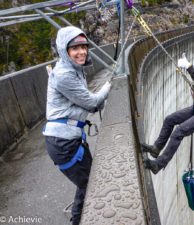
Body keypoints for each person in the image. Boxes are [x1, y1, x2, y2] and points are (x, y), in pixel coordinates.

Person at [43, 26, 111, 225]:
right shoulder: (65, 74)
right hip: (63, 144)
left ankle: (80, 216)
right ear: (65, 50)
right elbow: (91, 103)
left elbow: (88, 101)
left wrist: (96, 100)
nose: (81, 52)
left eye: (84, 46)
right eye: (75, 48)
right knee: (90, 185)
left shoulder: (73, 69)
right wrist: (109, 85)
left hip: (70, 139)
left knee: (87, 182)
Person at [142, 43, 194, 174]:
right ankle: (156, 148)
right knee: (169, 120)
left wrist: (188, 66)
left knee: (179, 132)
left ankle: (158, 165)